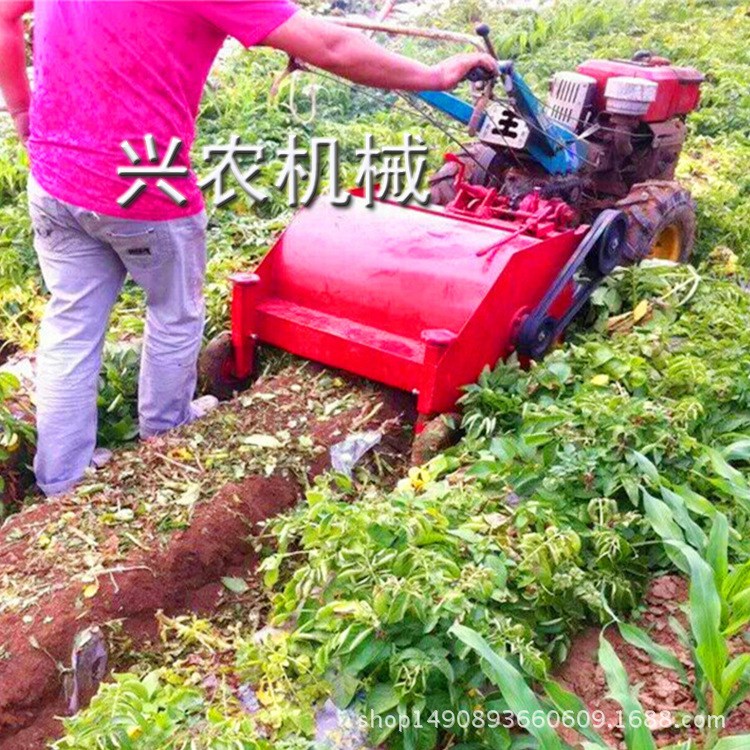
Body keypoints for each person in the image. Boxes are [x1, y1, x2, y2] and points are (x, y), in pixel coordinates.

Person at [0, 0, 495, 497]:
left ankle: (62, 480)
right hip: (140, 187)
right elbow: (330, 46)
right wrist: (435, 75)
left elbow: (6, 13)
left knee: (71, 325)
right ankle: (164, 432)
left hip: (53, 181)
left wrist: (22, 108)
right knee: (175, 312)